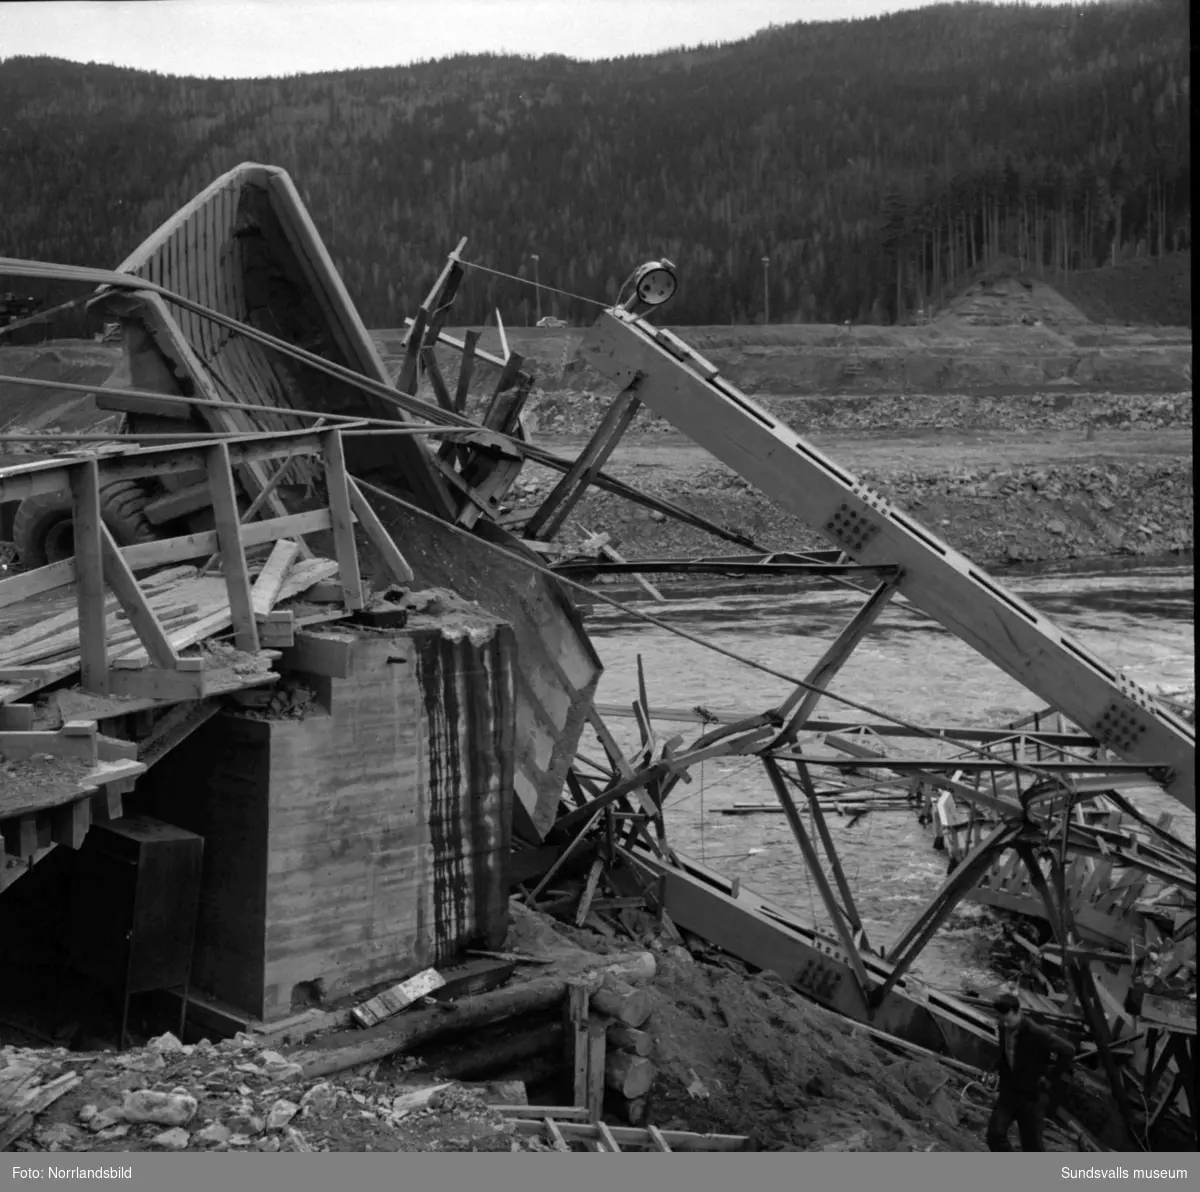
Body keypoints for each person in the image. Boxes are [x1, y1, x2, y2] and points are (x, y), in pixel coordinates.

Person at [986, 992, 1075, 1151]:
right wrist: (994, 1068)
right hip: (1009, 1092)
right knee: (994, 1135)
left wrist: (1049, 1075)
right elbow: (1005, 1052)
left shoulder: (1037, 1033)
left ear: (1015, 1012)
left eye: (1005, 1017)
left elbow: (1068, 1051)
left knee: (1032, 1146)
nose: (1002, 1022)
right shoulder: (1002, 1026)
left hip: (1031, 1096)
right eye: (999, 1017)